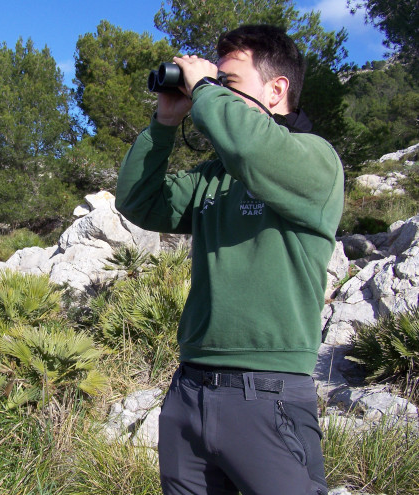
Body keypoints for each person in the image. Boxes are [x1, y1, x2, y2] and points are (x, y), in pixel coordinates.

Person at [115, 24, 344, 495]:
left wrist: (201, 87)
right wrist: (164, 123)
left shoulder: (315, 160)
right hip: (190, 390)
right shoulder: (214, 178)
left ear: (277, 89)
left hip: (268, 395)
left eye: (229, 83)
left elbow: (251, 147)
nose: (214, 92)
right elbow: (139, 201)